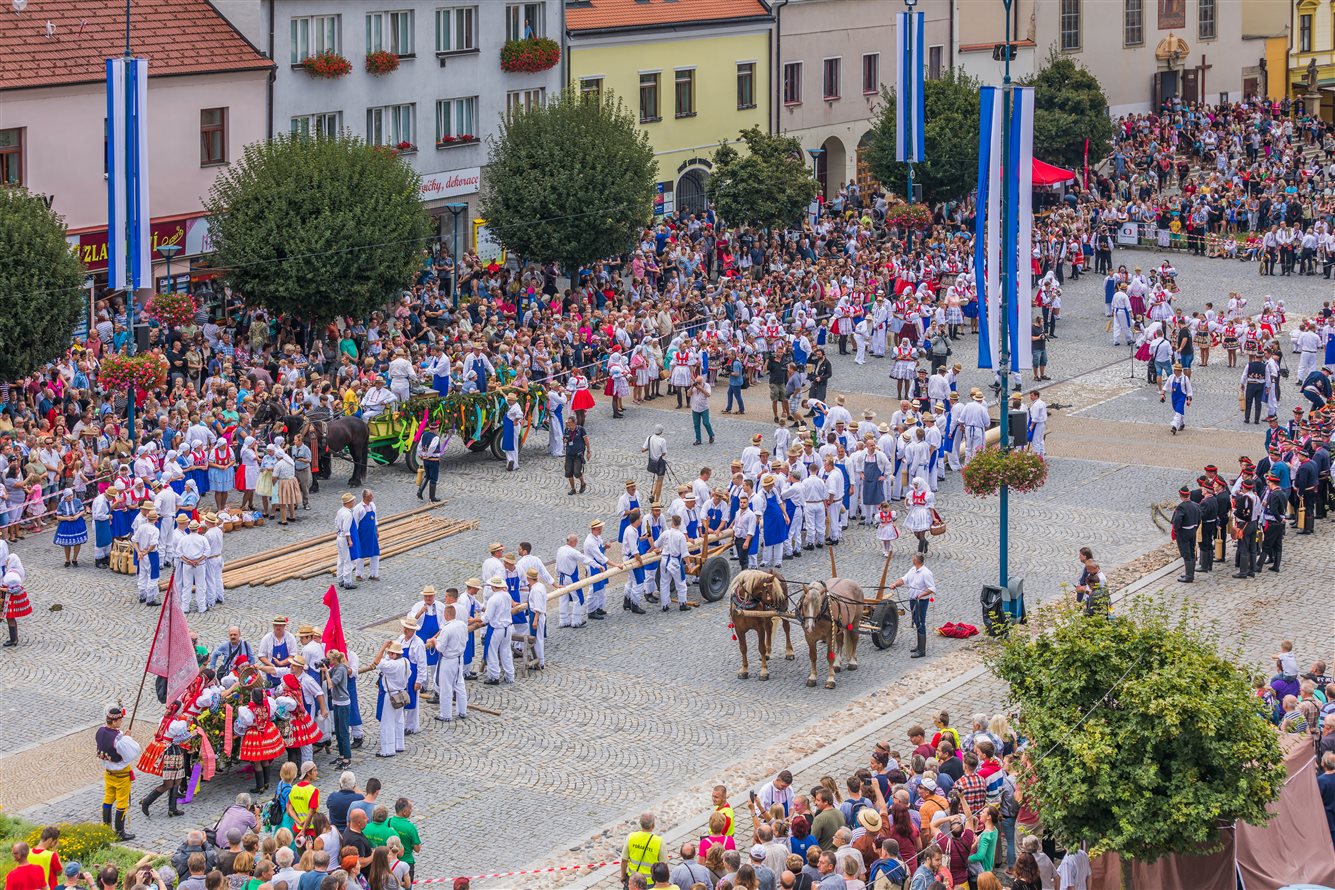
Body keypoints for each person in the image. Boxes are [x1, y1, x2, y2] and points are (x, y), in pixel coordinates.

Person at [95, 705, 140, 841]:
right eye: (119, 720)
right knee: (122, 802)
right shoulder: (119, 739)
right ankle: (120, 832)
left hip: (108, 772)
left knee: (108, 798)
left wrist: (124, 737)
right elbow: (132, 753)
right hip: (121, 774)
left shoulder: (100, 731)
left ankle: (106, 827)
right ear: (114, 721)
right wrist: (127, 739)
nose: (121, 722)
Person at [622, 813, 664, 888]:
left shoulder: (631, 837)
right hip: (650, 881)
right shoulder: (659, 841)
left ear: (640, 824)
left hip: (632, 879)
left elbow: (624, 860)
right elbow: (663, 865)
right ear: (653, 825)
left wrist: (623, 876)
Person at [1170, 486, 1200, 583]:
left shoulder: (1181, 507)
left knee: (1186, 553)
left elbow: (1177, 520)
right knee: (1191, 552)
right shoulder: (1195, 505)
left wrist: (1176, 530)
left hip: (1184, 532)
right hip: (1193, 530)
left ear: (1180, 496)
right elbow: (1199, 518)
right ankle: (1191, 574)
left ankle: (1189, 576)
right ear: (1189, 494)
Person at [1160, 363, 1193, 434]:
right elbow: (1166, 386)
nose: (1176, 372)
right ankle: (1182, 423)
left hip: (1181, 397)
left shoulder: (1185, 378)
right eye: (1175, 370)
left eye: (1178, 370)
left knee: (1178, 411)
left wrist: (1189, 399)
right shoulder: (1171, 377)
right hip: (1174, 397)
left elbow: (1189, 390)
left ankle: (1174, 427)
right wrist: (1163, 394)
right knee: (1178, 410)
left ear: (1181, 371)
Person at [335, 493, 359, 590]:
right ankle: (347, 582)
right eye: (353, 501)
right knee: (348, 560)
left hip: (339, 537)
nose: (354, 502)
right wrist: (349, 540)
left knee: (340, 559)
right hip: (345, 538)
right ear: (348, 502)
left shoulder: (340, 511)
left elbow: (336, 523)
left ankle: (340, 579)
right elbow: (346, 529)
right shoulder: (348, 514)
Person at [564, 415, 590, 496]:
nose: (568, 424)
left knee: (577, 472)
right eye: (567, 423)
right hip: (569, 454)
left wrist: (588, 451)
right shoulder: (567, 430)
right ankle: (573, 489)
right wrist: (565, 440)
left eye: (570, 423)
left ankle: (583, 483)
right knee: (568, 472)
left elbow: (586, 440)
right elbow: (564, 440)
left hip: (578, 455)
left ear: (574, 423)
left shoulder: (581, 429)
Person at [689, 375, 716, 446]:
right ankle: (698, 439)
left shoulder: (707, 386)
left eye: (699, 382)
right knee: (696, 425)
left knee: (706, 422)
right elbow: (688, 395)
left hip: (704, 408)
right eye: (697, 382)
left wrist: (701, 389)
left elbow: (708, 395)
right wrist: (692, 387)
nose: (697, 384)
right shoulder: (694, 387)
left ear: (702, 381)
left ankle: (711, 435)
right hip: (695, 408)